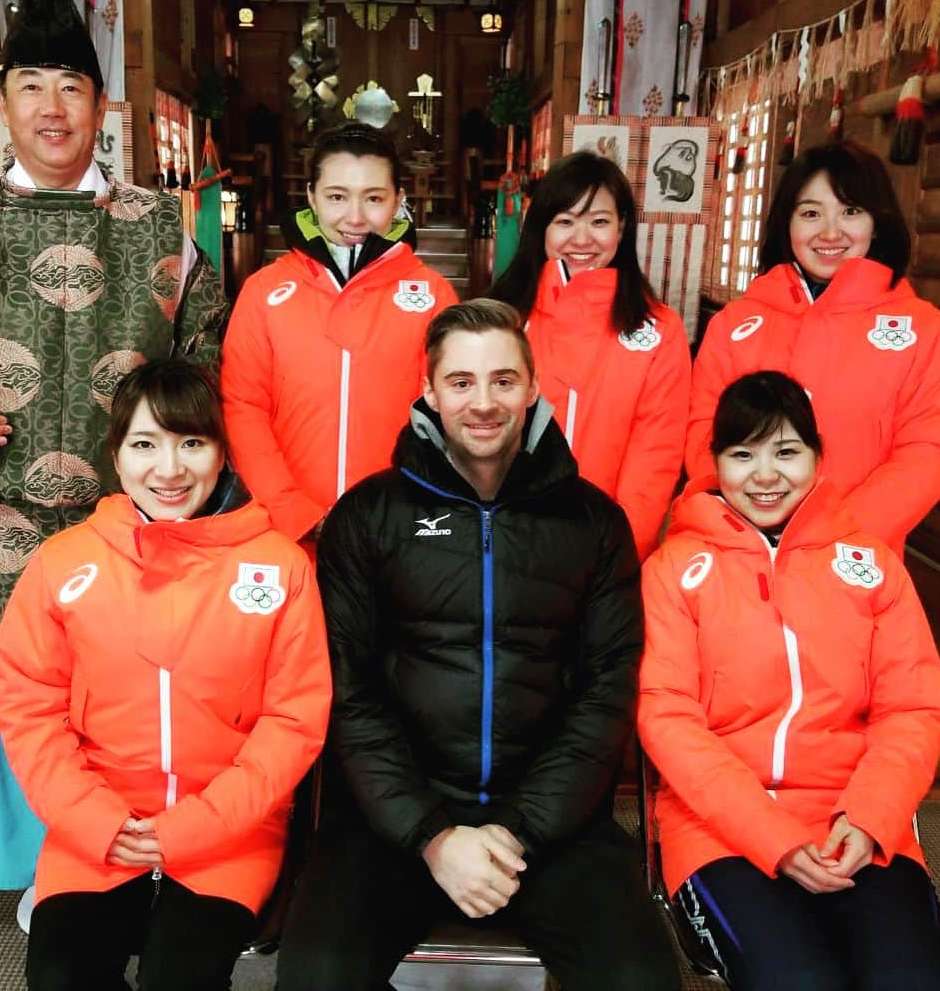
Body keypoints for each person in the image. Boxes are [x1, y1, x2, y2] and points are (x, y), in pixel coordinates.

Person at [0, 0, 227, 896]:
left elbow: (208, 351)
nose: (51, 108)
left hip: (128, 516)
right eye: (30, 86)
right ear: (0, 101)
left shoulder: (159, 224)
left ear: (97, 105)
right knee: (14, 681)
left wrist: (181, 460)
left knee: (122, 683)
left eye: (71, 87)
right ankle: (21, 866)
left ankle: (118, 864)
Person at [277, 299, 681, 990]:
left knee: (640, 977)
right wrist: (433, 835)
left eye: (502, 380)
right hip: (392, 819)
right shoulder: (367, 516)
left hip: (551, 820)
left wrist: (518, 833)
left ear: (530, 386)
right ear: (430, 393)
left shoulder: (594, 522)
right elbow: (347, 692)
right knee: (315, 973)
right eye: (461, 382)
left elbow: (606, 692)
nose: (483, 402)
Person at [0, 358, 331, 990]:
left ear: (223, 452)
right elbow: (28, 707)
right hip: (95, 832)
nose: (170, 470)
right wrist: (97, 822)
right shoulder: (62, 563)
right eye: (145, 444)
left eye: (192, 444)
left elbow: (294, 719)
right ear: (117, 455)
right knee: (61, 978)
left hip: (228, 834)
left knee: (181, 980)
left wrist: (194, 827)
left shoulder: (280, 566)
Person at [639, 370, 940, 990]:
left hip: (858, 824)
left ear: (818, 456)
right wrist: (774, 836)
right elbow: (666, 716)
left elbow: (913, 709)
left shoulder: (871, 565)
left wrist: (870, 817)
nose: (764, 476)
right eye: (742, 454)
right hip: (719, 832)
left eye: (786, 452)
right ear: (714, 462)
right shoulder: (674, 569)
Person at [685, 140, 940, 554]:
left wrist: (840, 532)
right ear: (788, 223)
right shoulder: (734, 324)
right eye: (811, 213)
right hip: (738, 552)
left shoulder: (921, 328)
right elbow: (702, 431)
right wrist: (747, 521)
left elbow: (931, 448)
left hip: (857, 559)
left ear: (877, 221)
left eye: (850, 211)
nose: (830, 232)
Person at [220, 121, 458, 545]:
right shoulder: (265, 291)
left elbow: (449, 415)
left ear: (399, 200)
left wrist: (410, 511)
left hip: (398, 530)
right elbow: (243, 406)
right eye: (336, 197)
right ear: (311, 197)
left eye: (374, 199)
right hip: (286, 532)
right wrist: (292, 510)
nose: (355, 217)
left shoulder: (434, 295)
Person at [490, 150, 690, 559]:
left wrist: (618, 555)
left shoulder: (658, 330)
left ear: (622, 228)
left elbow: (655, 460)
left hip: (604, 551)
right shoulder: (503, 317)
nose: (582, 240)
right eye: (565, 221)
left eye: (599, 222)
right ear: (541, 227)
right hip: (501, 546)